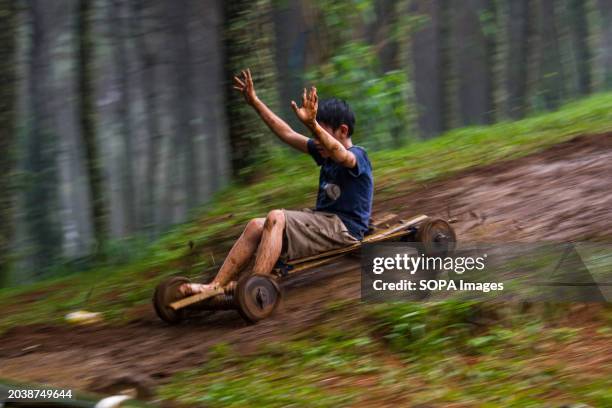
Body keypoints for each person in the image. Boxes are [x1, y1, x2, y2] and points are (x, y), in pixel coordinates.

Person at [180, 69, 373, 295]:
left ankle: (255, 286)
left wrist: (313, 125)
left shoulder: (357, 156)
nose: (316, 139)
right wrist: (255, 102)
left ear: (342, 131)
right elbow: (287, 134)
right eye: (316, 132)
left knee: (276, 216)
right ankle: (215, 285)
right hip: (322, 222)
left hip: (345, 229)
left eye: (322, 132)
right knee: (255, 225)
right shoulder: (324, 151)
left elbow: (340, 153)